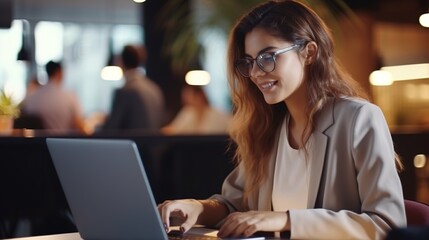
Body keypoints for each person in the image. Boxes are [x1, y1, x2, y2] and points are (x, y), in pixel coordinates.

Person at [158, 1, 406, 239]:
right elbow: (235, 205)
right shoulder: (268, 127)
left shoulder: (358, 119)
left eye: (268, 57)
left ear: (309, 53)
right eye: (249, 62)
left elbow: (387, 224)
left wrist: (285, 219)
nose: (255, 73)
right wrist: (196, 208)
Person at [102, 44, 165, 131]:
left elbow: (112, 129)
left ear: (120, 62)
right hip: (156, 144)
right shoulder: (154, 88)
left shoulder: (125, 91)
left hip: (133, 143)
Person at [22, 60, 87, 134]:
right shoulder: (69, 96)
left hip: (38, 144)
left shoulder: (32, 97)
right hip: (61, 143)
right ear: (59, 72)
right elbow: (79, 126)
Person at [161, 84, 231, 135]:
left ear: (200, 95)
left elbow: (232, 129)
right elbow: (174, 129)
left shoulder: (217, 113)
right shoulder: (187, 112)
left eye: (188, 96)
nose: (186, 100)